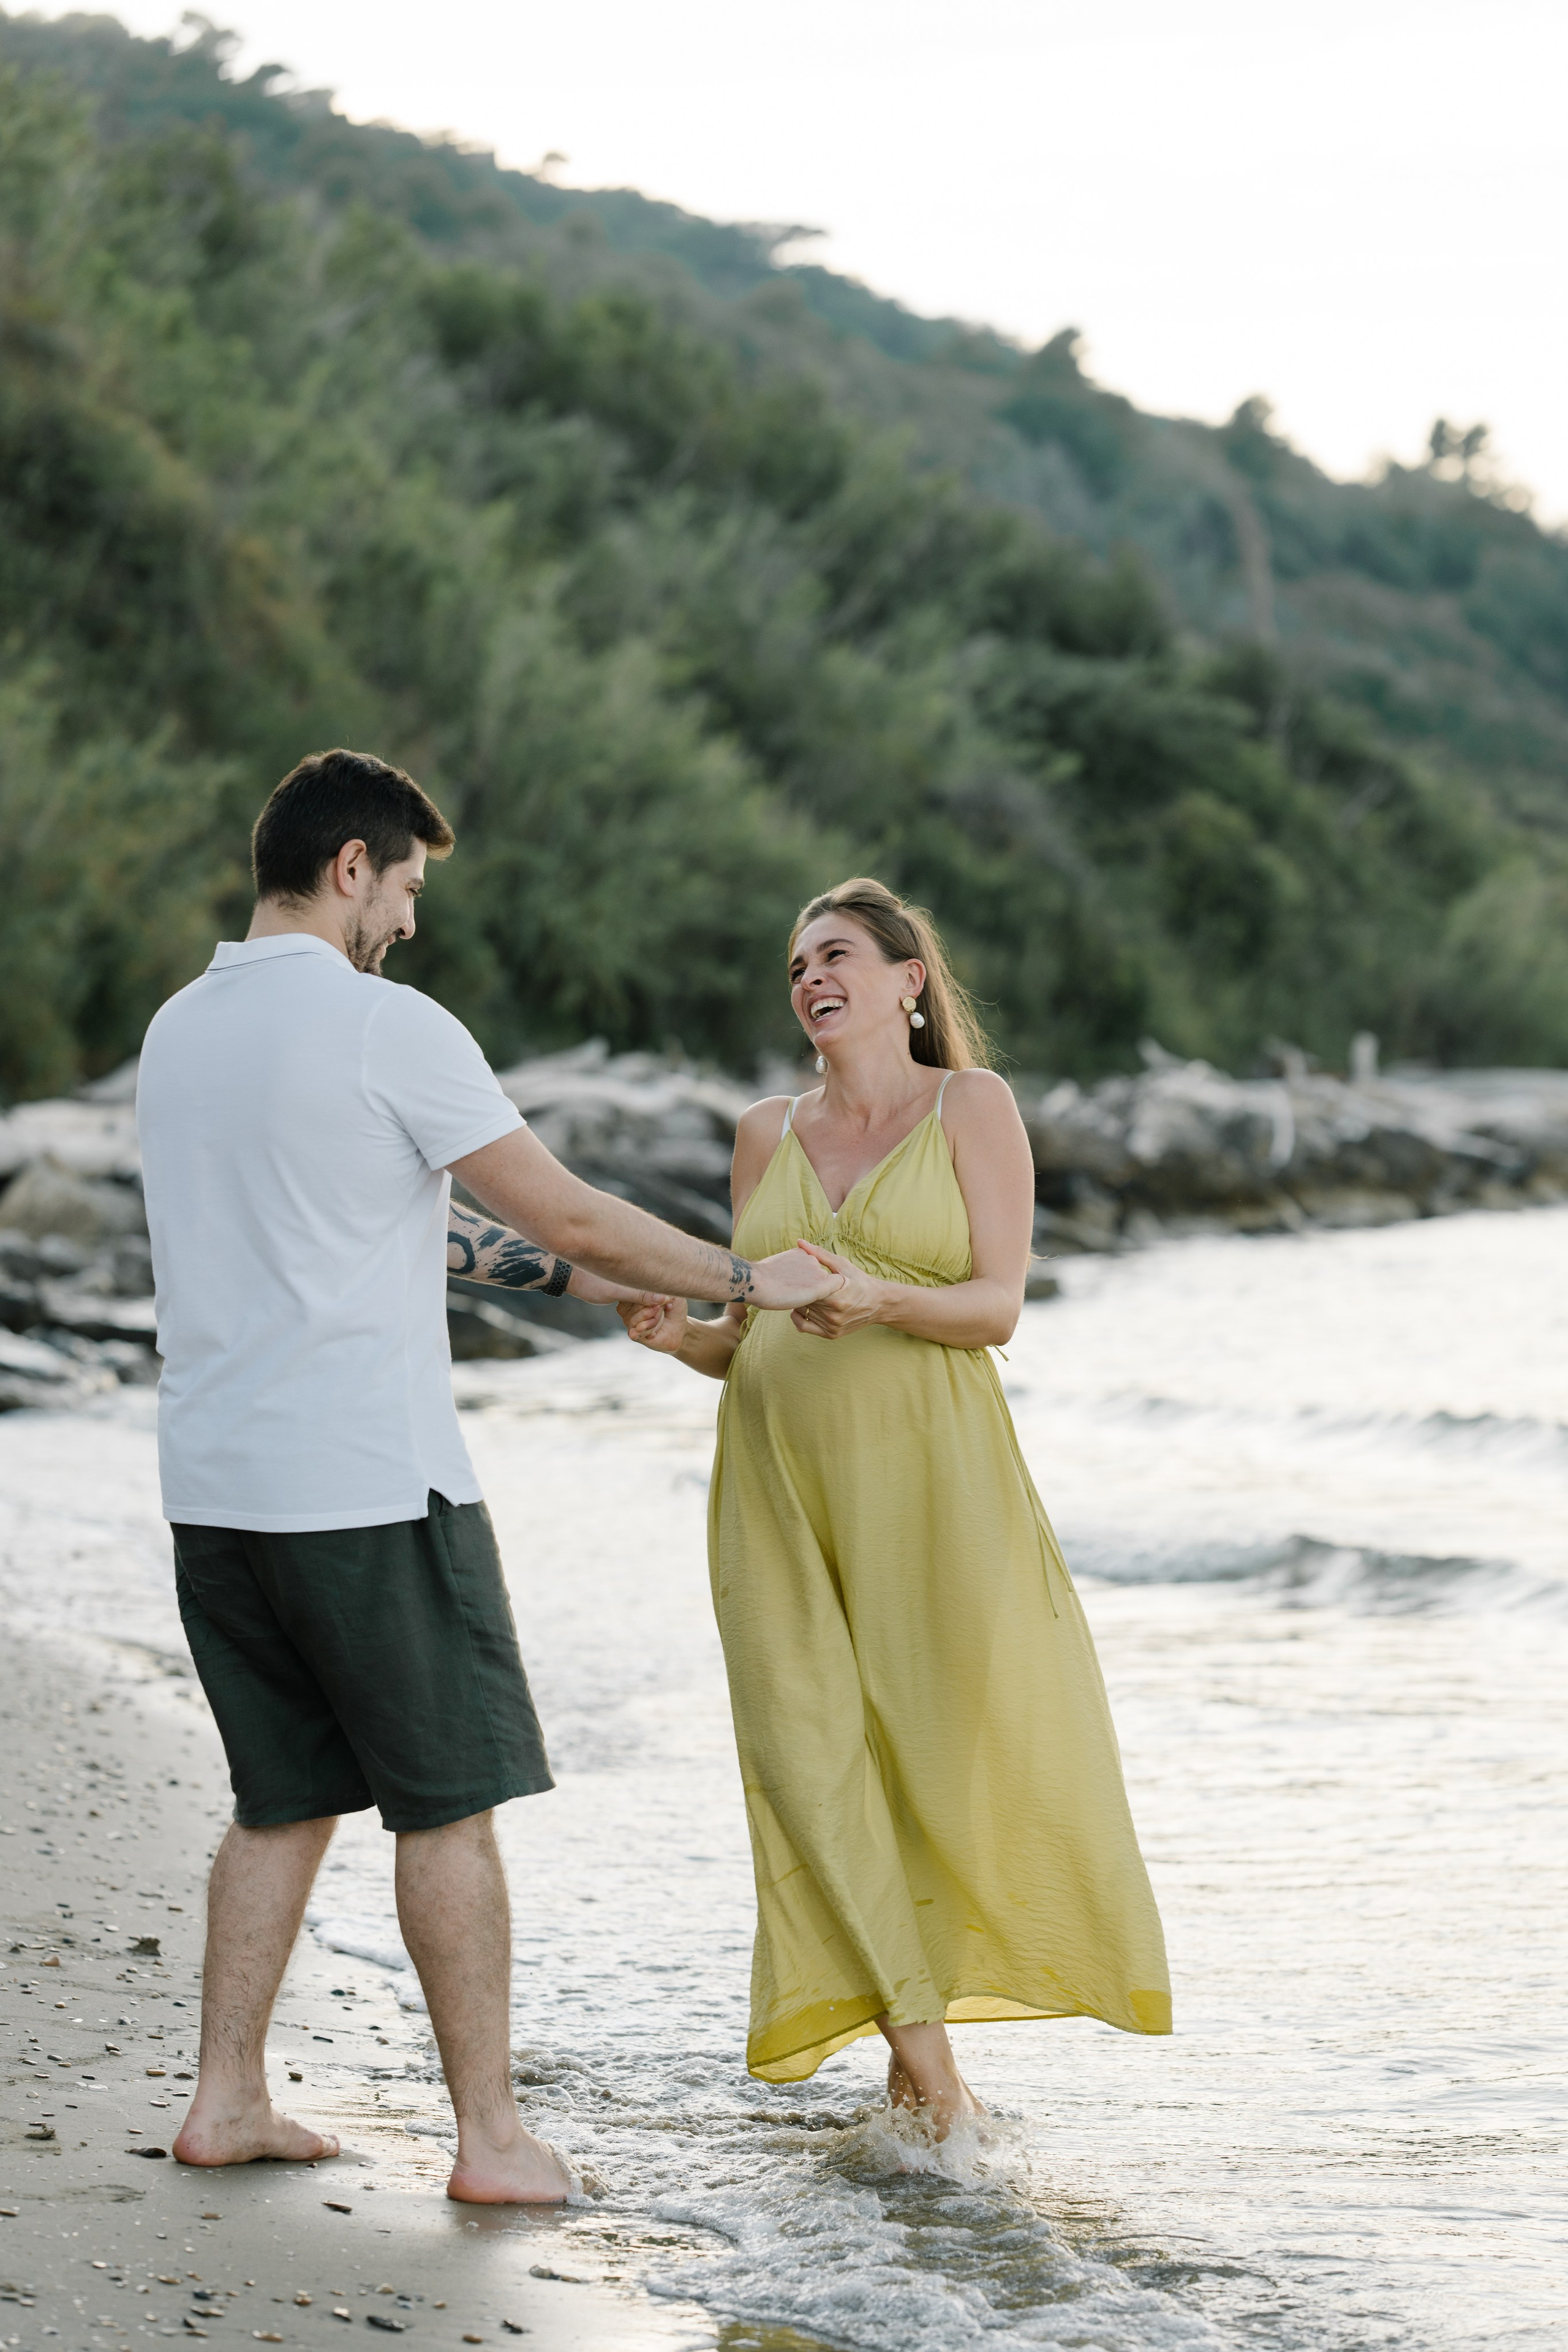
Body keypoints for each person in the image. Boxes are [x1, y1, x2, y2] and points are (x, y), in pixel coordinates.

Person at [135, 747, 839, 2202]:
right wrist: (746, 1277)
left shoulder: (180, 1031)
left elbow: (410, 1223)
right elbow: (561, 1205)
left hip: (215, 1487)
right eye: (404, 888)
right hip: (368, 1490)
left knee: (281, 1798)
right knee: (447, 1803)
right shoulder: (384, 1026)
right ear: (350, 869)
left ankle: (226, 2100)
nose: (408, 920)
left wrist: (594, 1288)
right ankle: (492, 2141)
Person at [620, 877, 1170, 2133]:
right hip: (774, 1489)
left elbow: (996, 1306)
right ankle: (935, 2080)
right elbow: (746, 1337)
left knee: (929, 1758)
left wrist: (878, 1299)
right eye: (796, 965)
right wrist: (680, 1338)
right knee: (807, 1758)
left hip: (933, 1485)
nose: (811, 977)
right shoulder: (763, 1133)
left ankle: (917, 2066)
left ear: (907, 980)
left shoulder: (971, 1106)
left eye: (836, 955)